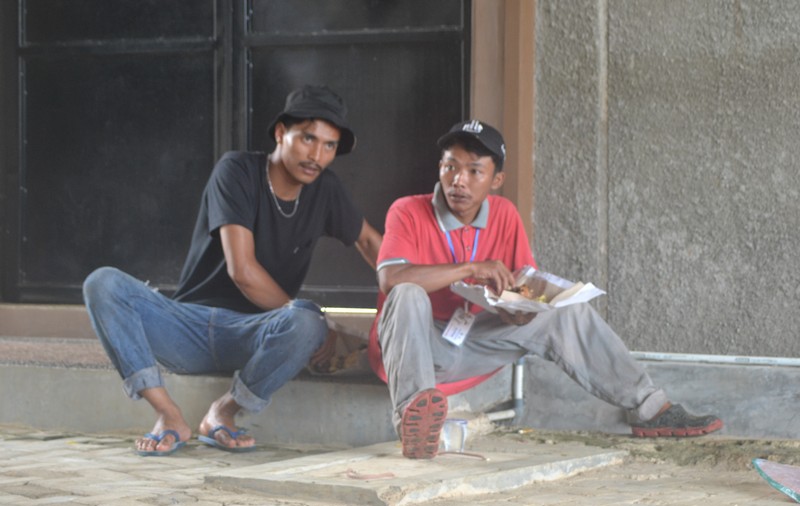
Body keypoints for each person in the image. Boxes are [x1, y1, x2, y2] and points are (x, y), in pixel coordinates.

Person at [369, 119, 722, 460]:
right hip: (419, 346)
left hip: (477, 341)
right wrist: (471, 268)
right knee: (407, 293)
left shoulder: (505, 214)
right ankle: (415, 422)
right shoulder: (407, 210)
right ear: (440, 168)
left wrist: (519, 312)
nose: (459, 180)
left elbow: (523, 288)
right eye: (450, 167)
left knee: (567, 311)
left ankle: (651, 408)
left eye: (474, 171)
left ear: (496, 180)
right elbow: (391, 279)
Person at [83, 85, 382, 456]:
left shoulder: (326, 190)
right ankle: (168, 414)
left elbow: (371, 243)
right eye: (308, 138)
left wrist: (413, 293)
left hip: (254, 335)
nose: (317, 156)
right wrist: (316, 324)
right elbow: (243, 271)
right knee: (103, 283)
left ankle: (223, 412)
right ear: (280, 133)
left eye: (329, 145)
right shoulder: (237, 170)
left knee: (307, 321)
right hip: (189, 327)